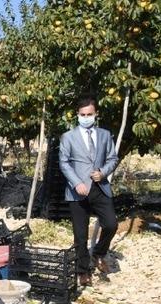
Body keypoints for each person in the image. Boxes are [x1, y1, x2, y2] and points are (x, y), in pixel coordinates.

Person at [59, 96, 119, 287]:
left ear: (96, 114)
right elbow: (64, 162)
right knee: (80, 234)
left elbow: (112, 158)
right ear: (78, 115)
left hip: (100, 187)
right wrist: (76, 182)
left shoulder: (104, 135)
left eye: (89, 114)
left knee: (111, 224)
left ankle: (99, 253)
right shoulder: (68, 137)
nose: (86, 117)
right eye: (83, 114)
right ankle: (83, 271)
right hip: (78, 191)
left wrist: (103, 173)